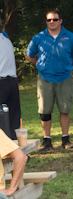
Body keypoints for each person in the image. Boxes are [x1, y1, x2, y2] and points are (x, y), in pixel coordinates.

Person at [26, 9, 73, 151]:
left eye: (55, 19)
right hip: (45, 79)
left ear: (61, 21)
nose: (52, 22)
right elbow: (29, 55)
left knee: (65, 109)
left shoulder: (69, 36)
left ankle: (66, 139)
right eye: (49, 20)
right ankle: (47, 141)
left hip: (64, 77)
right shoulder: (39, 37)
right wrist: (40, 66)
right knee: (45, 111)